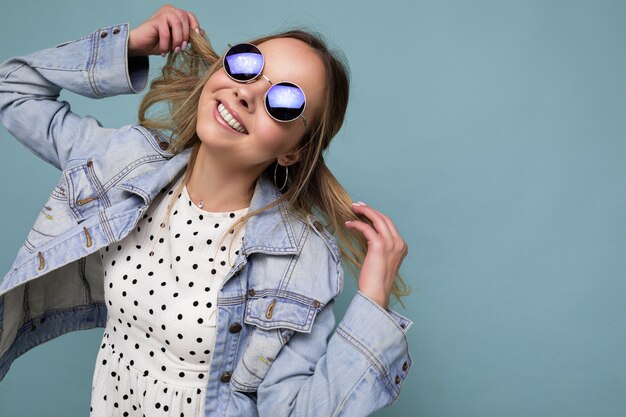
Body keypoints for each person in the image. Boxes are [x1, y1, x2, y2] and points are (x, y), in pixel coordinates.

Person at [0, 5, 413, 416]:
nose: (246, 92)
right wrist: (126, 48)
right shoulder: (126, 164)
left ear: (294, 151)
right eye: (246, 64)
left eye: (284, 100)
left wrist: (372, 305)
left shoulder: (300, 259)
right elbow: (12, 88)